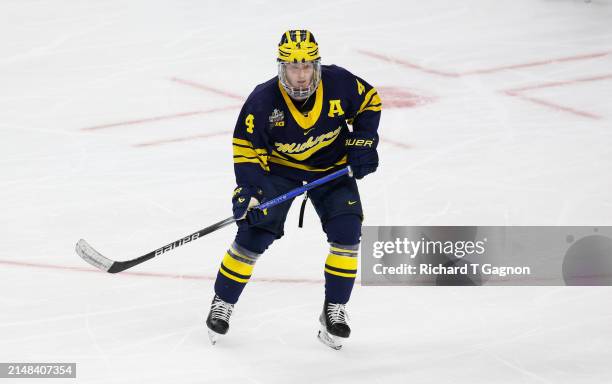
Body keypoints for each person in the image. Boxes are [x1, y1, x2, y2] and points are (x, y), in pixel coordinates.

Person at [205, 30, 381, 349]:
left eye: (306, 67)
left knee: (347, 231)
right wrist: (250, 190)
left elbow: (369, 100)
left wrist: (364, 140)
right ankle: (223, 303)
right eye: (292, 67)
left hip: (331, 168)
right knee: (253, 234)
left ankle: (334, 310)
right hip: (279, 171)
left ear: (316, 65)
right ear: (281, 67)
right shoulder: (263, 100)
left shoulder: (339, 83)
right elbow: (247, 148)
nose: (300, 76)